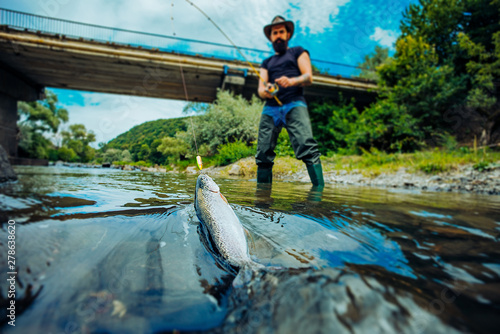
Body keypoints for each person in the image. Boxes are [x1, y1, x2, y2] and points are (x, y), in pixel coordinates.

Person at [256, 15, 324, 186]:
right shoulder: (266, 62)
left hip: (295, 103)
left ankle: (318, 195)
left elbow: (308, 77)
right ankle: (262, 202)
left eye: (281, 32)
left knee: (306, 146)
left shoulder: (298, 51)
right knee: (263, 152)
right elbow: (260, 90)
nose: (278, 35)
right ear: (271, 37)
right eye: (274, 33)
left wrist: (292, 81)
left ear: (287, 35)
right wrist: (268, 92)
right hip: (270, 108)